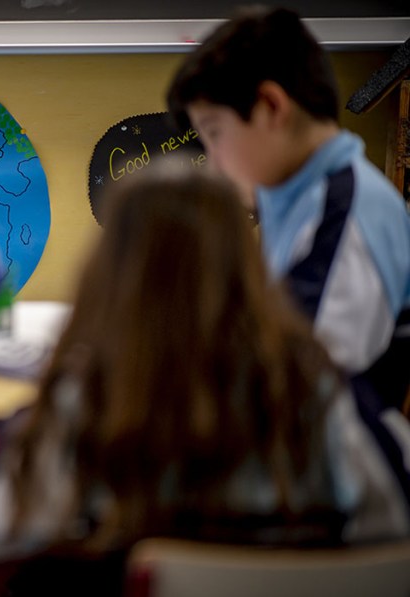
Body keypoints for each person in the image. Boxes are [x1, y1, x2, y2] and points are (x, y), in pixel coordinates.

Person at [0, 167, 410, 593]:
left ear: (108, 276)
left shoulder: (77, 410)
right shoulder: (326, 405)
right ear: (249, 268)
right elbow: (393, 530)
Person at [166, 6, 410, 410]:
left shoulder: (342, 216)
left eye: (214, 133)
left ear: (271, 106)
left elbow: (292, 397)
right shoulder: (300, 198)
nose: (213, 161)